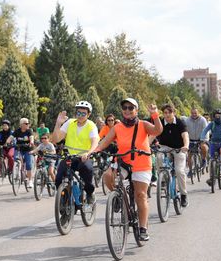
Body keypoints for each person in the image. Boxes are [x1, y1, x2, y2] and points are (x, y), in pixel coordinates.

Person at [95, 98, 162, 241]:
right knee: (107, 176)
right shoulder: (117, 127)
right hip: (124, 162)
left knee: (141, 196)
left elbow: (157, 130)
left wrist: (155, 115)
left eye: (130, 108)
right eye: (124, 108)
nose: (127, 110)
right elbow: (105, 141)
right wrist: (93, 151)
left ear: (136, 110)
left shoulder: (143, 124)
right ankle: (117, 197)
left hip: (141, 163)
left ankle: (143, 228)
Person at [51, 101, 99, 205]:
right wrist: (58, 124)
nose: (80, 116)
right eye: (78, 113)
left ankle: (90, 193)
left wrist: (88, 153)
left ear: (88, 114)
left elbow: (95, 141)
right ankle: (64, 201)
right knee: (58, 177)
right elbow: (55, 140)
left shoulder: (91, 126)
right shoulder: (69, 123)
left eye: (83, 113)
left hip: (85, 157)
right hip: (69, 157)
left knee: (87, 170)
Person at [155, 104, 190, 207]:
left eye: (169, 112)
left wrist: (186, 146)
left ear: (173, 113)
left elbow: (185, 136)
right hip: (165, 146)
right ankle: (163, 179)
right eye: (165, 113)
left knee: (179, 171)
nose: (167, 115)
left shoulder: (180, 122)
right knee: (159, 156)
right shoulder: (161, 122)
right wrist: (146, 145)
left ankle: (183, 195)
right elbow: (153, 135)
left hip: (179, 148)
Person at [200, 109, 221, 182]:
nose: (218, 117)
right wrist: (202, 138)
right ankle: (212, 178)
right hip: (213, 144)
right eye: (216, 115)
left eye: (219, 115)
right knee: (212, 160)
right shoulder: (212, 124)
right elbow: (205, 130)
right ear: (214, 116)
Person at [6, 118, 35, 188]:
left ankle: (30, 181)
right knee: (16, 159)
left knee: (28, 164)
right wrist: (7, 142)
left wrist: (31, 142)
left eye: (28, 123)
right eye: (26, 123)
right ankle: (19, 171)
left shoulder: (29, 131)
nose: (28, 125)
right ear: (21, 124)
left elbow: (31, 137)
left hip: (28, 149)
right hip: (19, 149)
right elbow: (11, 137)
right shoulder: (17, 131)